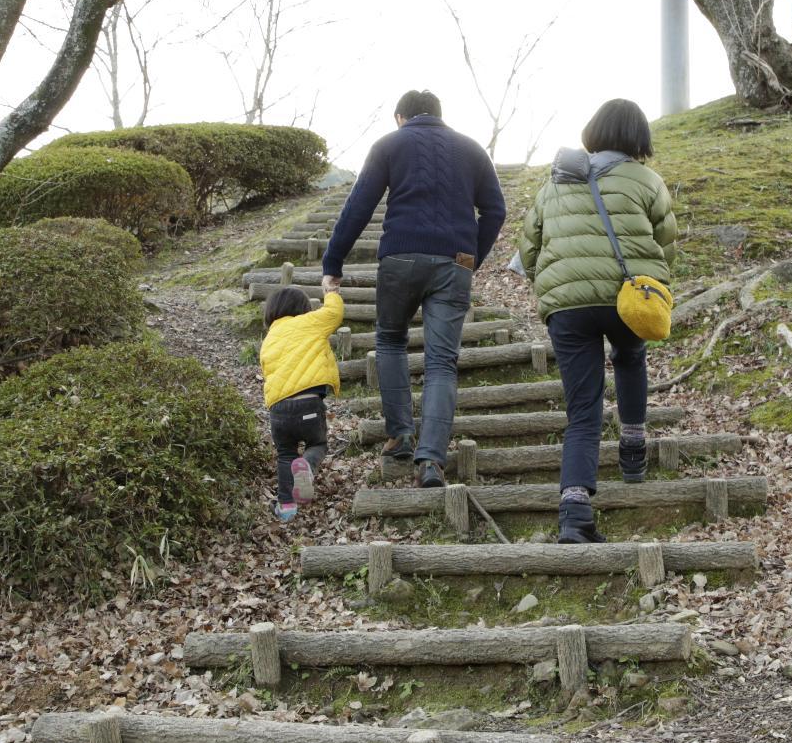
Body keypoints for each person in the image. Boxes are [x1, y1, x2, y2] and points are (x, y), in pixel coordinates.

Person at [321, 90, 507, 489]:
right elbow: (496, 209)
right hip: (454, 262)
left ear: (400, 117)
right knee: (442, 361)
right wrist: (472, 256)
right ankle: (432, 460)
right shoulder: (471, 149)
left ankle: (401, 434)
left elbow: (359, 205)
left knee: (390, 341)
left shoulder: (390, 144)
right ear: (440, 115)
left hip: (401, 258)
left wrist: (332, 263)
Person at [517, 99, 678, 543]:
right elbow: (667, 242)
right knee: (629, 357)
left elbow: (528, 246)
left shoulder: (555, 183)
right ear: (638, 138)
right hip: (627, 296)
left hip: (567, 306)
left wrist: (552, 285)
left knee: (583, 409)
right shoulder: (647, 181)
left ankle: (574, 511)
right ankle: (632, 446)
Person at [258, 285, 345, 521]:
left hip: (279, 410)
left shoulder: (269, 339)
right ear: (303, 308)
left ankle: (286, 508)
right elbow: (334, 313)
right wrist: (331, 291)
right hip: (309, 404)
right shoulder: (309, 322)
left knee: (285, 455)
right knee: (317, 444)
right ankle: (306, 466)